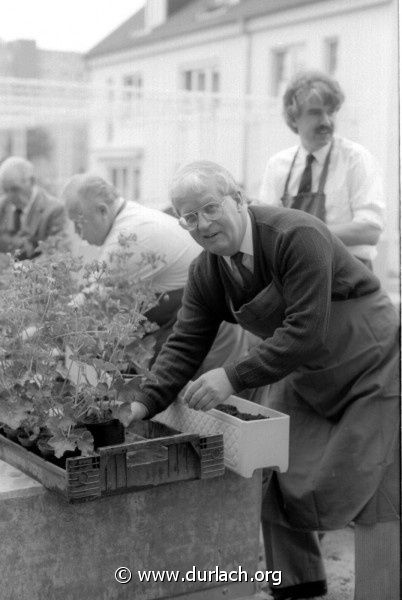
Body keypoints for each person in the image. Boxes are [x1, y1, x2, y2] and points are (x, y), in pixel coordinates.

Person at [122, 161, 399, 600]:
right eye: (189, 217)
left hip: (370, 358)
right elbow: (184, 346)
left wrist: (232, 376)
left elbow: (306, 330)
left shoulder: (294, 235)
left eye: (211, 208)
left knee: (376, 475)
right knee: (274, 464)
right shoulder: (208, 270)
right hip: (300, 367)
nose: (203, 224)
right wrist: (139, 405)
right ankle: (298, 585)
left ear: (238, 198)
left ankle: (381, 590)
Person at [61, 172, 249, 369]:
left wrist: (44, 326)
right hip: (202, 324)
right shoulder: (131, 218)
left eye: (78, 222)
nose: (76, 232)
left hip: (213, 332)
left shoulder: (128, 237)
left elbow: (91, 304)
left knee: (202, 397)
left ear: (102, 211)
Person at [259, 71, 384, 271]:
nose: (326, 121)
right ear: (293, 118)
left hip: (348, 279)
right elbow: (265, 230)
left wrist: (304, 235)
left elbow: (370, 230)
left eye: (331, 111)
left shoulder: (355, 159)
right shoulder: (277, 165)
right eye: (316, 112)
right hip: (296, 275)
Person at [0, 156, 66, 258]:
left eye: (15, 189)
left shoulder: (55, 210)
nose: (9, 196)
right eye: (5, 190)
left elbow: (57, 255)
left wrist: (20, 269)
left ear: (32, 181)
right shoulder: (2, 205)